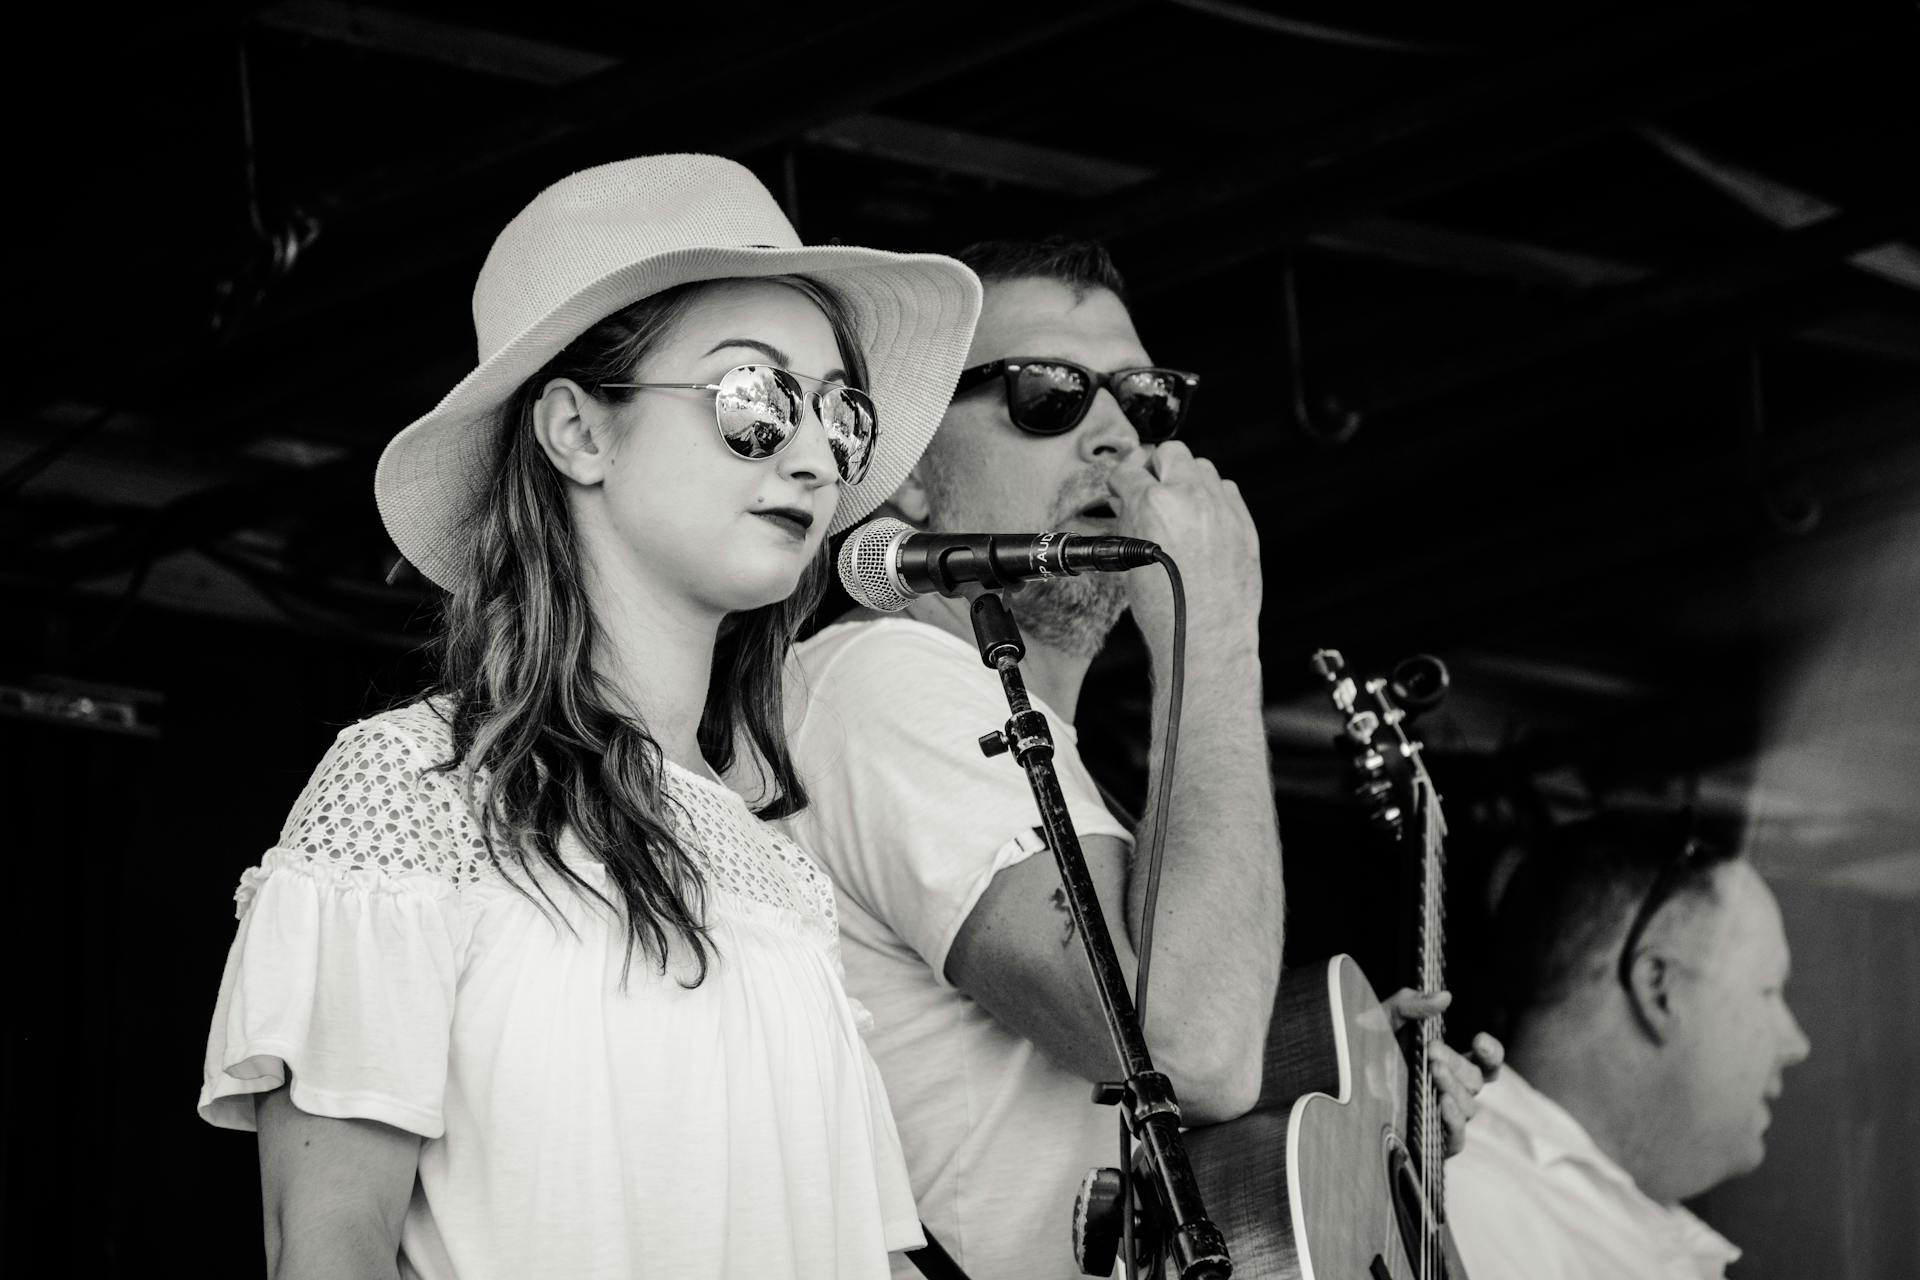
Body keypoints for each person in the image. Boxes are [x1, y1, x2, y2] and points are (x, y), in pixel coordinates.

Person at [196, 153, 982, 1279]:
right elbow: (329, 1248)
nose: (815, 455)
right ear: (576, 429)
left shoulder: (782, 881)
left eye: (840, 413)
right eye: (755, 398)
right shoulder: (412, 789)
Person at [772, 237, 1497, 1279]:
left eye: (1146, 401)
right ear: (911, 471)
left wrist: (1347, 1083)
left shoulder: (1028, 738)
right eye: (1048, 393)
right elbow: (1189, 1046)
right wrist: (1217, 633)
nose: (1119, 435)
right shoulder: (887, 679)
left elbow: (1181, 1078)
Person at [1446, 813, 1813, 1280]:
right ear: (1660, 988)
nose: (1795, 1043)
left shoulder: (1630, 1225)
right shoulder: (1458, 1206)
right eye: (1768, 991)